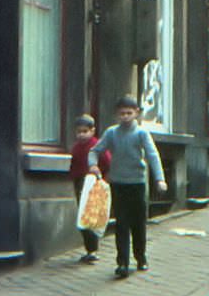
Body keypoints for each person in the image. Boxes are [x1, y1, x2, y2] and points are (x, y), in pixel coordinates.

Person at [89, 95, 167, 279]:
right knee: (121, 224)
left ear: (136, 113)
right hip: (118, 183)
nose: (125, 117)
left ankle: (140, 257)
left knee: (138, 223)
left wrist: (159, 179)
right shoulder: (111, 133)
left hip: (137, 183)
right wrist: (92, 165)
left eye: (129, 113)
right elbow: (95, 150)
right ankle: (122, 262)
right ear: (117, 114)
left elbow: (152, 155)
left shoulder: (141, 133)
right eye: (122, 113)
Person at [69, 114, 111, 263]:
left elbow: (106, 161)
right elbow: (73, 165)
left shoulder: (97, 145)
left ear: (92, 131)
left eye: (85, 131)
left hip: (92, 184)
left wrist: (100, 176)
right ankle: (89, 249)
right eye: (79, 131)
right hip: (80, 183)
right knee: (83, 216)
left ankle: (92, 250)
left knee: (90, 216)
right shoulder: (76, 147)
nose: (81, 135)